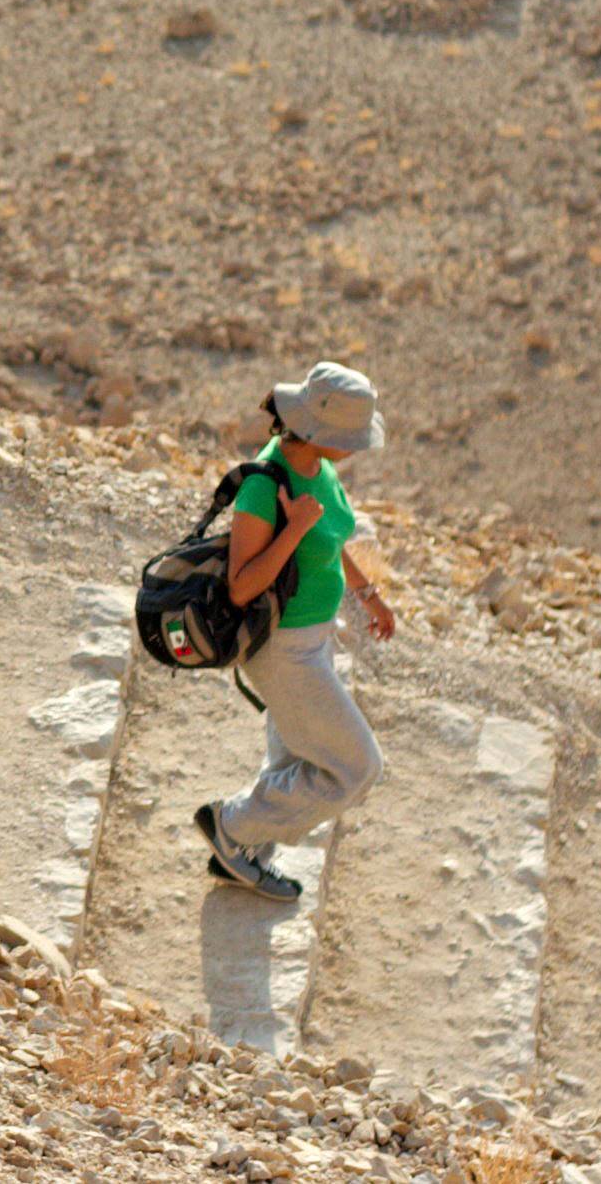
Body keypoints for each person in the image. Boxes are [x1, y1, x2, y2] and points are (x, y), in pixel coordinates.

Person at [196, 361, 398, 902]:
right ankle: (232, 827)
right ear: (321, 432)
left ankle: (243, 853)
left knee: (296, 757)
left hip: (313, 639)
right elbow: (242, 585)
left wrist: (365, 593)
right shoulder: (265, 486)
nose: (356, 448)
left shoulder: (318, 468)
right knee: (358, 768)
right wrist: (297, 528)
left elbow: (329, 541)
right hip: (284, 651)